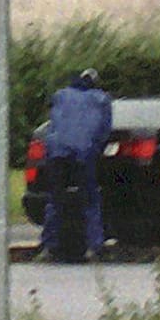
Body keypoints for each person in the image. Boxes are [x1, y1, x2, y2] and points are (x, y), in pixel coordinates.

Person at [39, 67, 112, 261]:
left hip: (57, 152)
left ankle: (49, 246)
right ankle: (94, 247)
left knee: (55, 199)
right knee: (90, 198)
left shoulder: (61, 95)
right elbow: (104, 131)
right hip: (84, 152)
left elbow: (53, 122)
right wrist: (97, 150)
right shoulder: (101, 99)